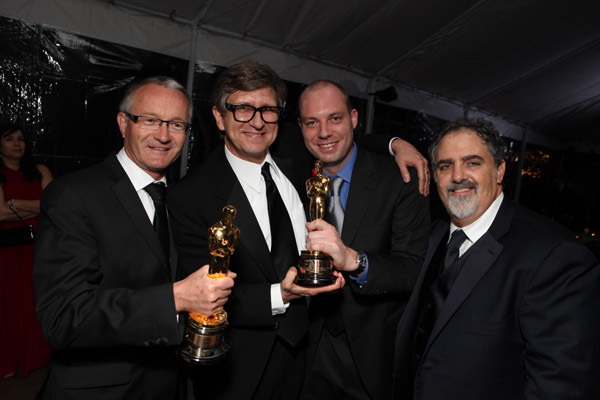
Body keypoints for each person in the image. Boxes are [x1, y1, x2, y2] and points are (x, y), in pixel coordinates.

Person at [32, 76, 236, 400]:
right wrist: (176, 298)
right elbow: (63, 317)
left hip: (170, 383)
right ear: (123, 123)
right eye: (151, 120)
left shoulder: (180, 198)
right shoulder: (73, 194)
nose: (164, 135)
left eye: (177, 124)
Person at [168, 60, 346, 400]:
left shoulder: (295, 160)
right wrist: (282, 294)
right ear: (220, 117)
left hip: (314, 358)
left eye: (267, 109)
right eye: (243, 109)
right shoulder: (191, 196)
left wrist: (396, 145)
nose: (257, 121)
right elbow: (204, 295)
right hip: (243, 371)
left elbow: (343, 136)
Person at [392, 118, 600, 400]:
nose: (457, 176)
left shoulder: (554, 256)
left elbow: (561, 387)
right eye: (445, 166)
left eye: (472, 163)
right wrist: (392, 144)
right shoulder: (434, 234)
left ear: (499, 170)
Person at [296, 80, 430, 400]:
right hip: (302, 352)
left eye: (336, 118)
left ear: (355, 118)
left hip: (368, 358)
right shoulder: (288, 173)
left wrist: (356, 260)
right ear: (300, 127)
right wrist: (394, 141)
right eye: (312, 122)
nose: (324, 132)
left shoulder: (400, 180)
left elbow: (414, 269)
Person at [0, 124, 53, 379]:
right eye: (9, 139)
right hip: (8, 252)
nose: (16, 143)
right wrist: (37, 206)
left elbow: (53, 205)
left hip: (39, 249)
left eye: (20, 139)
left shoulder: (41, 171)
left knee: (37, 303)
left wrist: (14, 204)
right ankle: (11, 363)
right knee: (10, 307)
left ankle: (36, 359)